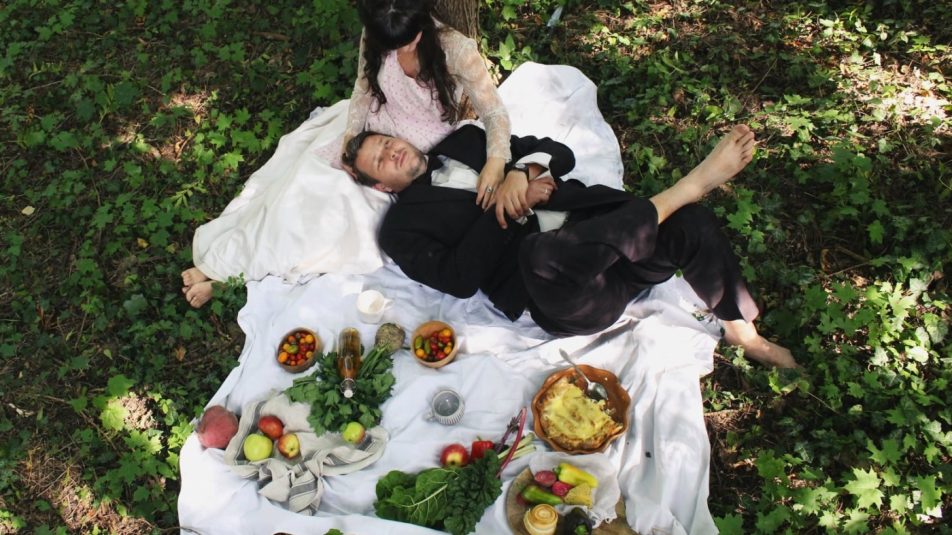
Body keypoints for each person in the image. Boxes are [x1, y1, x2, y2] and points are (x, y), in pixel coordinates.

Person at [342, 124, 798, 368]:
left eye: (387, 141)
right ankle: (686, 188)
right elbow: (459, 280)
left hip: (611, 235)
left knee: (692, 224)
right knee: (539, 254)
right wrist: (510, 207)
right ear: (380, 186)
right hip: (574, 295)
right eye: (380, 160)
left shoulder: (466, 139)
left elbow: (555, 151)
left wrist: (522, 172)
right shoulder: (400, 229)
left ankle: (744, 334)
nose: (392, 151)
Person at [181, 0, 511, 307]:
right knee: (294, 191)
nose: (402, 51)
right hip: (369, 137)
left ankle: (233, 278)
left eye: (408, 42)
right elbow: (363, 87)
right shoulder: (376, 32)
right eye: (393, 46)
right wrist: (351, 142)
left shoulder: (455, 48)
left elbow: (494, 112)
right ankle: (226, 261)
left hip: (401, 161)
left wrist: (496, 161)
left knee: (330, 220)